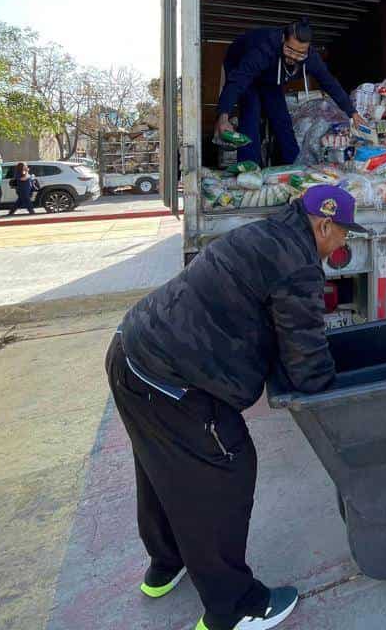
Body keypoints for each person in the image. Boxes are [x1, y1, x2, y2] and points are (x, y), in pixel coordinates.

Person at [106, 184, 362, 630]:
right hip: (171, 378)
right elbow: (305, 356)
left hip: (130, 350)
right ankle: (234, 606)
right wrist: (335, 396)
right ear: (323, 224)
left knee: (161, 464)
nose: (343, 243)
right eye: (343, 234)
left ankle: (166, 565)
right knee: (227, 470)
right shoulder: (298, 263)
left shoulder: (266, 232)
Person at [214, 19, 364, 166]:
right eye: (290, 50)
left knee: (281, 118)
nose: (293, 56)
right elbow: (238, 81)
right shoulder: (264, 49)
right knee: (251, 111)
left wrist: (352, 112)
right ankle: (248, 170)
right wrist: (223, 116)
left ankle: (294, 166)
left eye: (300, 53)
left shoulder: (310, 58)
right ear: (282, 39)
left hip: (271, 74)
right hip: (240, 61)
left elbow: (330, 83)